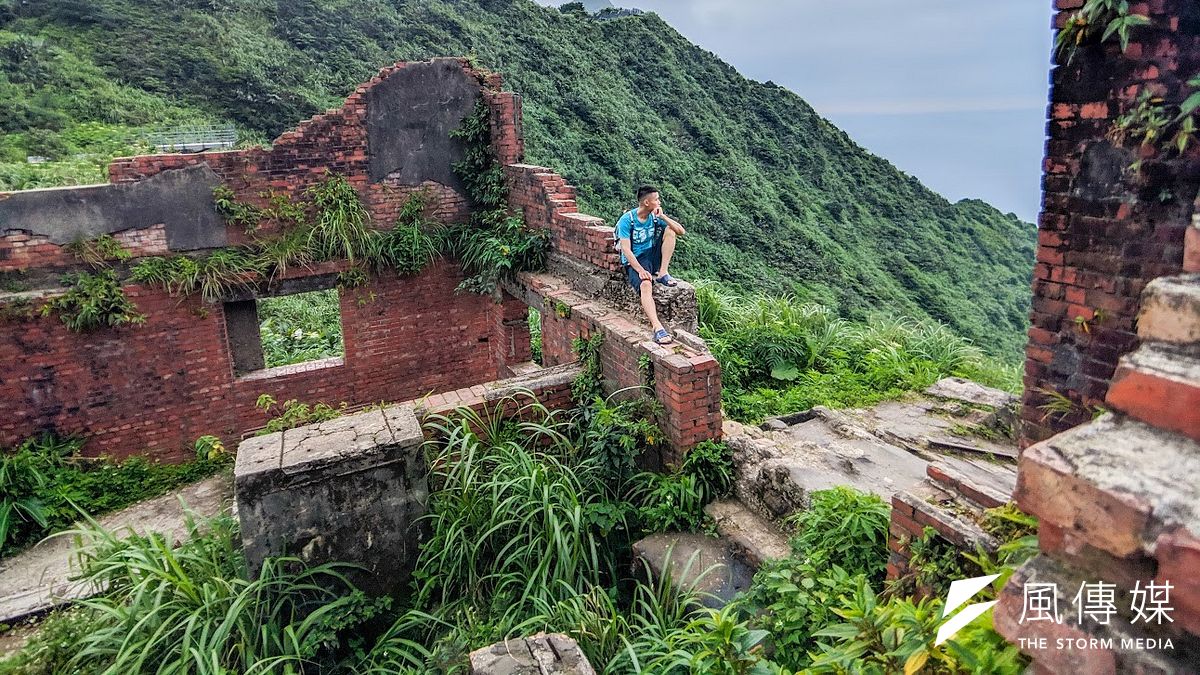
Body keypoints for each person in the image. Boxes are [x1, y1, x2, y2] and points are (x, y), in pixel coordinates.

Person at [615, 185, 687, 344]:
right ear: (647, 202)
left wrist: (664, 218)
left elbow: (681, 231)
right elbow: (626, 249)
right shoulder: (627, 220)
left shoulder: (654, 217)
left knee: (670, 230)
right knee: (646, 285)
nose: (659, 202)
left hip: (651, 255)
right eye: (656, 200)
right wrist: (640, 270)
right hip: (636, 259)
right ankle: (657, 327)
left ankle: (663, 273)